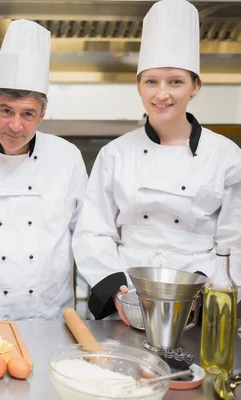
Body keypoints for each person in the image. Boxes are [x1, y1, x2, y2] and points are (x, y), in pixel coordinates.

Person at [72, 0, 241, 323]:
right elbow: (93, 232)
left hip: (200, 305)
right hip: (128, 300)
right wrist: (115, 290)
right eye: (151, 81)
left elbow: (235, 242)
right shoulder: (116, 154)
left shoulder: (226, 156)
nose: (162, 93)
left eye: (175, 81)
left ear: (195, 86)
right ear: (138, 85)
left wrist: (206, 292)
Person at [0, 20, 87, 321]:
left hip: (51, 319)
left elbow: (86, 234)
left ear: (43, 114)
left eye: (27, 114)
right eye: (6, 111)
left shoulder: (67, 157)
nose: (15, 125)